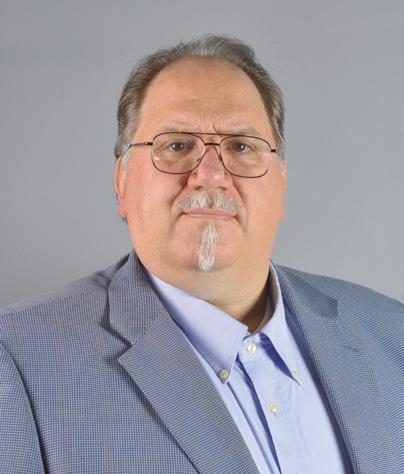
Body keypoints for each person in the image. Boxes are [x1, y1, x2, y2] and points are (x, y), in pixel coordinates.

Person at [0, 36, 402, 474]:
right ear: (122, 181)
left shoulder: (389, 331)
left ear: (281, 183)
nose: (210, 176)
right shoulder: (20, 361)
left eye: (241, 146)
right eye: (176, 145)